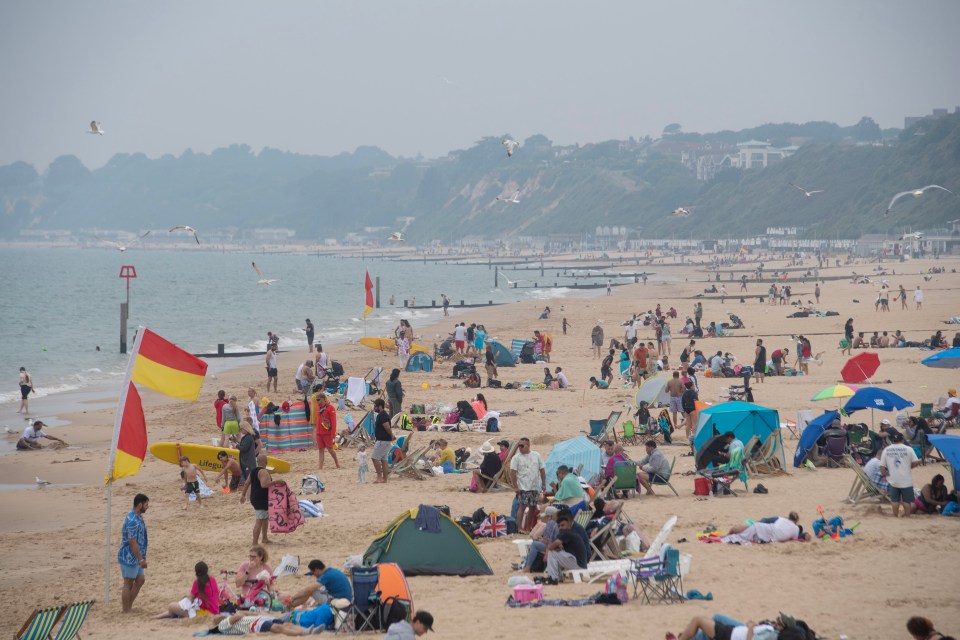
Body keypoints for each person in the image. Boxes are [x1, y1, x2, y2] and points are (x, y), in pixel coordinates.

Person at [154, 561, 219, 619]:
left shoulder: (197, 582)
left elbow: (190, 599)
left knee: (171, 606)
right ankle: (157, 617)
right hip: (215, 611)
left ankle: (157, 617)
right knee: (176, 608)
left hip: (203, 613)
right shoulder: (212, 579)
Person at [118, 493, 149, 613]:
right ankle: (126, 610)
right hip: (129, 556)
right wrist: (141, 559)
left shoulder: (138, 517)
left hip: (136, 556)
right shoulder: (132, 520)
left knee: (140, 580)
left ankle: (129, 606)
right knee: (128, 582)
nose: (147, 507)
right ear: (140, 504)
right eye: (146, 504)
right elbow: (132, 542)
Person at [880, 431, 921, 517]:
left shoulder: (886, 449)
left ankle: (895, 516)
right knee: (906, 501)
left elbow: (882, 466)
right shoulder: (908, 449)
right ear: (902, 440)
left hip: (893, 479)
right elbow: (917, 462)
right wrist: (910, 467)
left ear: (893, 440)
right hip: (906, 480)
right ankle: (907, 516)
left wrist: (883, 475)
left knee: (895, 501)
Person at [241, 455, 279, 545]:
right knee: (259, 520)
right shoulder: (263, 471)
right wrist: (277, 482)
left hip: (255, 498)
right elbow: (264, 485)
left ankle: (265, 538)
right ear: (266, 462)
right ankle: (254, 543)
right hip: (261, 499)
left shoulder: (253, 471)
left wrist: (243, 495)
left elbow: (246, 483)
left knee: (265, 519)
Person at [510, 437, 546, 531]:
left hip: (534, 487)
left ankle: (529, 527)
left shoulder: (536, 455)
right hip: (523, 487)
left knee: (533, 507)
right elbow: (512, 473)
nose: (520, 448)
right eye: (519, 445)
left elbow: (542, 470)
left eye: (522, 446)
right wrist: (515, 487)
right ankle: (519, 528)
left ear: (528, 445)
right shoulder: (516, 458)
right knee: (522, 506)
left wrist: (544, 484)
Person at [543, 511, 589, 584]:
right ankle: (557, 577)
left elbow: (552, 547)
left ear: (569, 525)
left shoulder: (568, 533)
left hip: (578, 564)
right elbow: (557, 546)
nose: (561, 528)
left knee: (552, 553)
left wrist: (551, 546)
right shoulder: (565, 533)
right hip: (579, 564)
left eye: (563, 525)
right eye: (559, 526)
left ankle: (553, 578)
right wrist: (555, 546)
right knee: (555, 553)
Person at [287, 559, 352, 609]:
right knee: (317, 589)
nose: (314, 575)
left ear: (317, 570)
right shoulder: (331, 571)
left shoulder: (326, 576)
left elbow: (308, 590)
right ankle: (290, 606)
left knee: (311, 591)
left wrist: (293, 598)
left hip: (340, 602)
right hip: (345, 599)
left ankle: (289, 607)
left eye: (313, 573)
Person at [724, 512, 807, 543]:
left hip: (762, 528)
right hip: (766, 536)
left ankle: (729, 533)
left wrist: (756, 522)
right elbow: (796, 539)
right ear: (796, 521)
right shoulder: (796, 529)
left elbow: (765, 520)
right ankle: (731, 533)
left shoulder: (781, 519)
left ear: (788, 517)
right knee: (743, 535)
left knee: (741, 533)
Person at [216, 612, 310, 636]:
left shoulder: (227, 621)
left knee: (285, 624)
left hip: (259, 619)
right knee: (278, 627)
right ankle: (301, 633)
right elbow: (238, 616)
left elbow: (251, 614)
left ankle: (306, 631)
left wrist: (242, 613)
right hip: (254, 626)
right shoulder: (222, 625)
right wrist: (239, 613)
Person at [313, 393, 340, 470]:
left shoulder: (330, 408)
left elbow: (333, 422)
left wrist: (333, 434)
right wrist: (316, 432)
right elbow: (318, 421)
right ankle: (320, 467)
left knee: (330, 449)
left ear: (324, 399)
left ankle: (337, 463)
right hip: (319, 432)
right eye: (316, 400)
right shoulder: (319, 408)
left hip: (327, 433)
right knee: (320, 450)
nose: (317, 401)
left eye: (318, 400)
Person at [371, 398, 394, 484]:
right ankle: (385, 479)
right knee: (384, 459)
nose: (374, 408)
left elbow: (387, 427)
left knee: (374, 458)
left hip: (382, 440)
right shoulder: (382, 415)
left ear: (380, 406)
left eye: (375, 406)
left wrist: (392, 435)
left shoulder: (382, 415)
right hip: (385, 440)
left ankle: (379, 477)